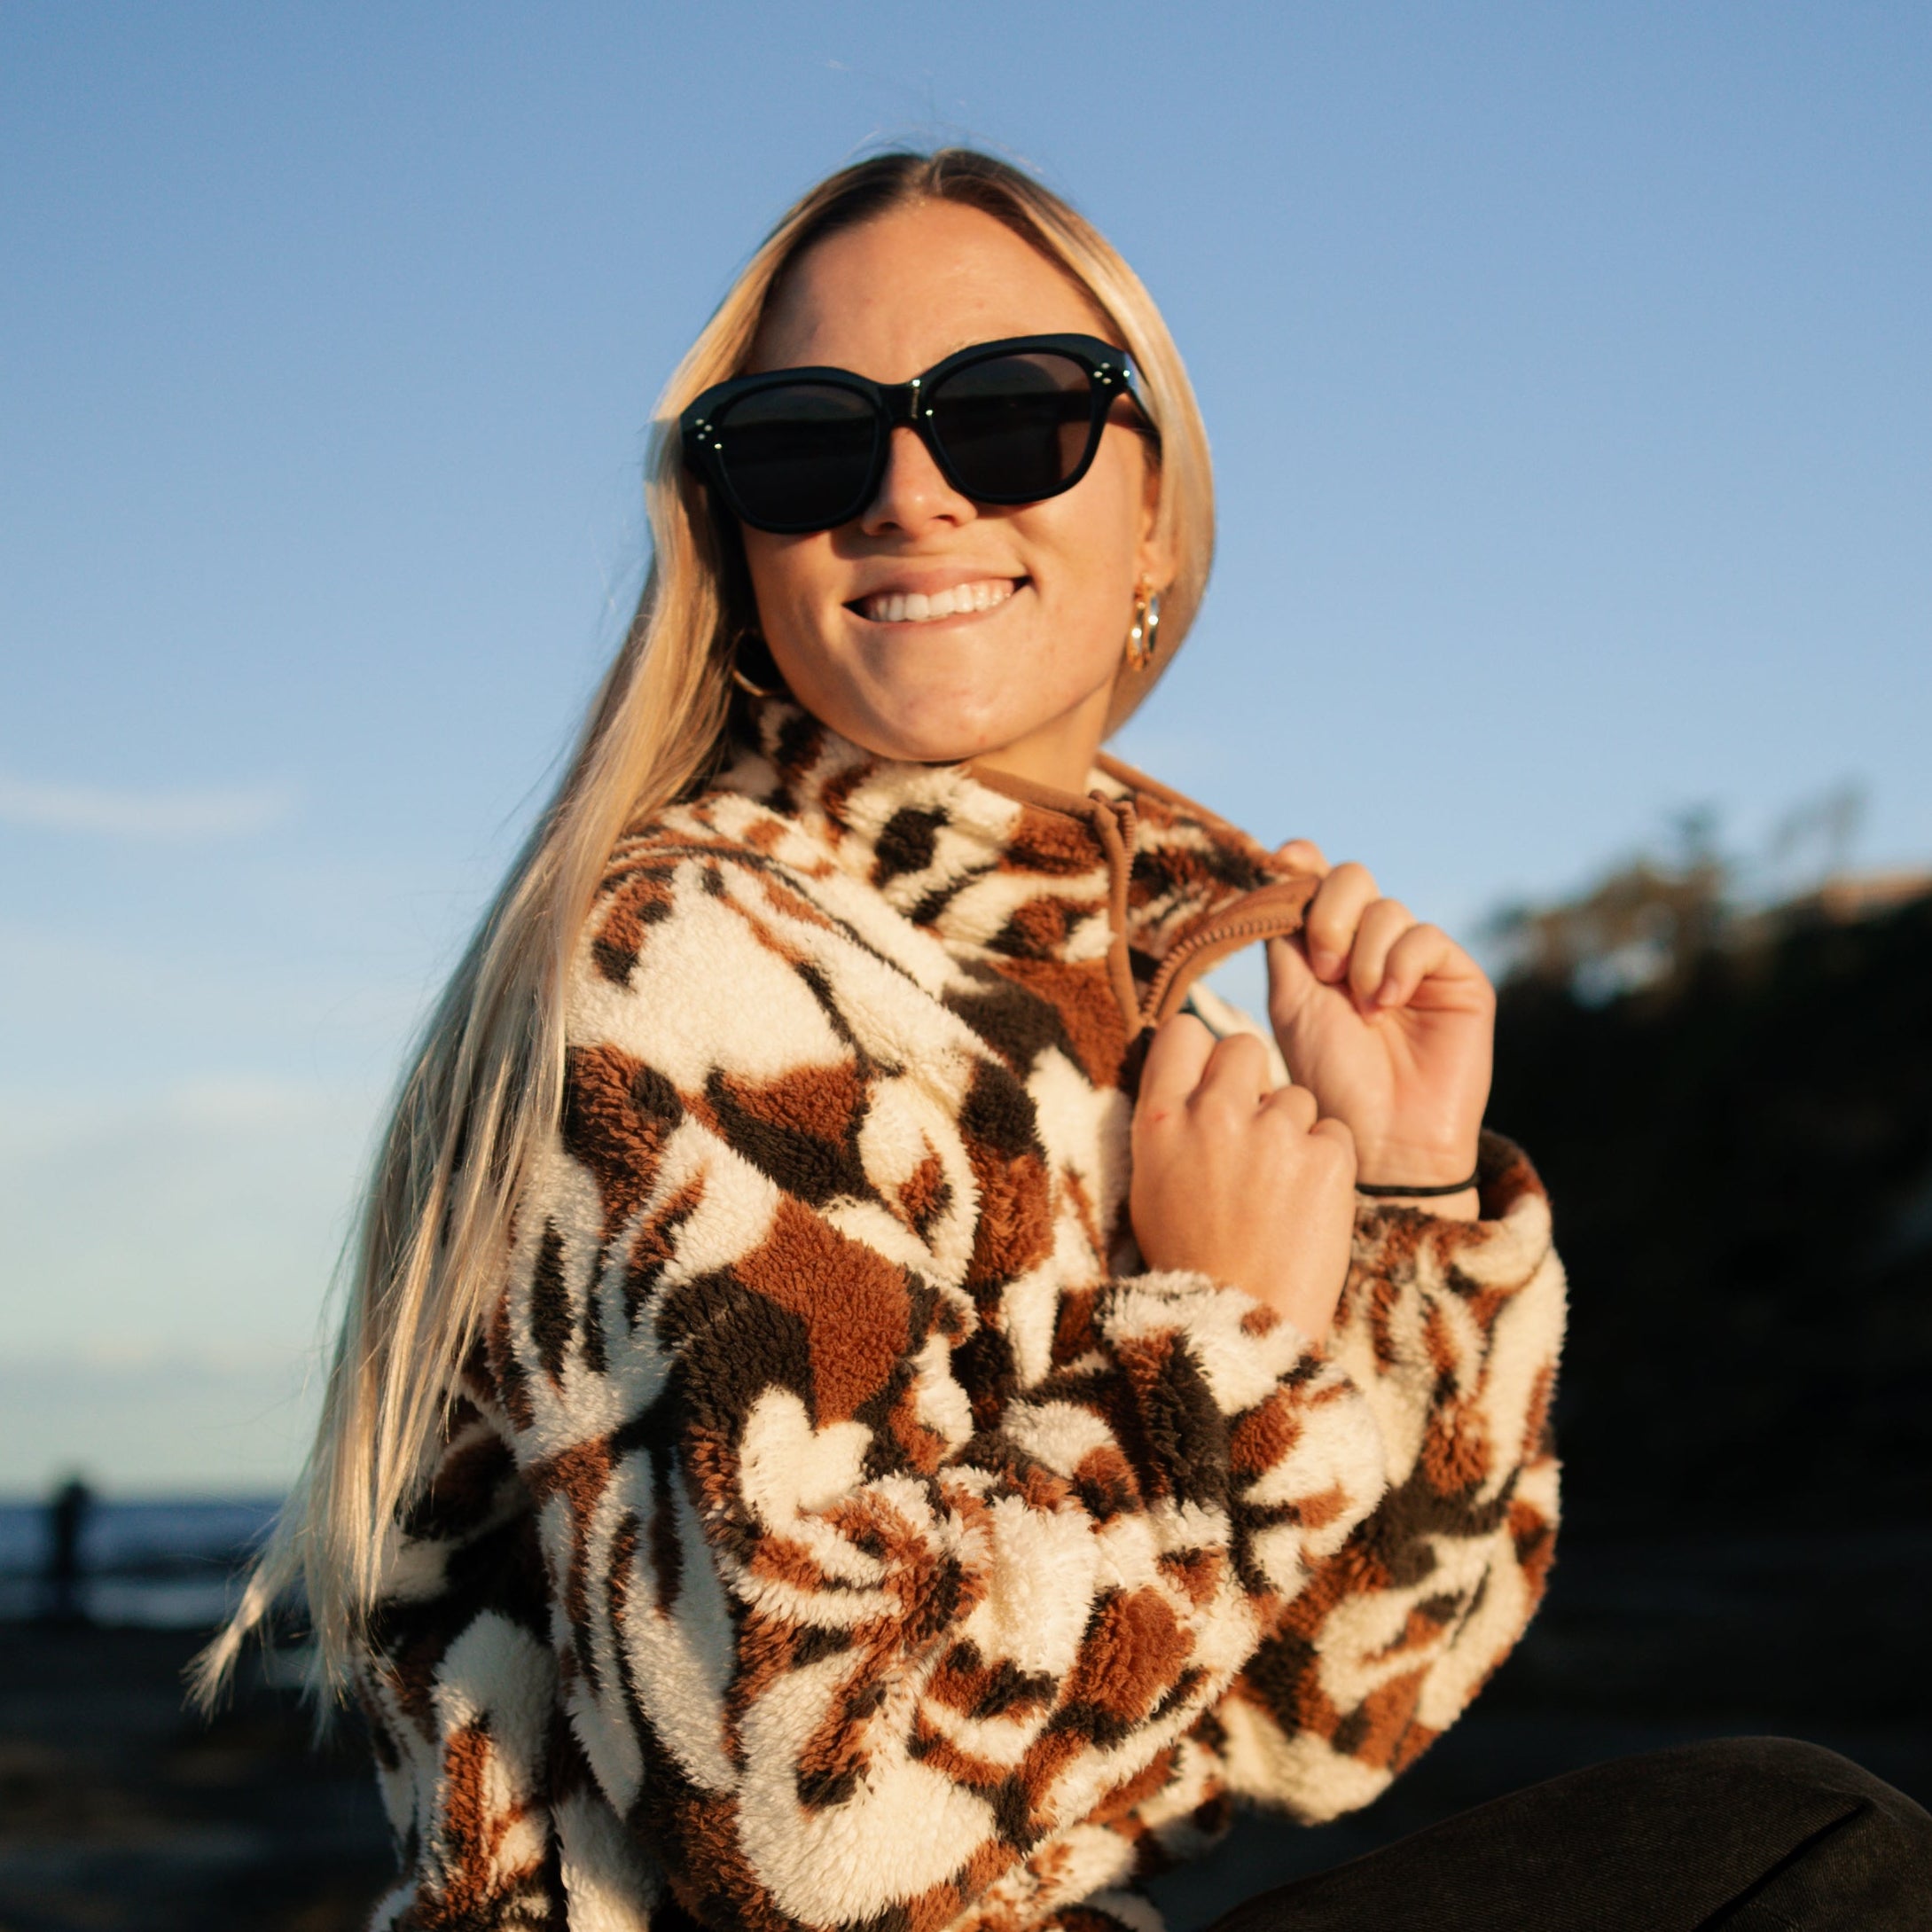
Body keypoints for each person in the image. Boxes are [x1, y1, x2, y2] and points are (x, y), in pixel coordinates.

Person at [197, 148, 1931, 1930]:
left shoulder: (1136, 1001)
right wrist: (1215, 1344)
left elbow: (1335, 1713)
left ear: (1155, 522)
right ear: (737, 542)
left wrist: (1404, 1209)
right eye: (803, 441)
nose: (908, 494)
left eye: (1009, 417)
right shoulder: (691, 956)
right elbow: (813, 1826)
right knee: (1805, 1849)